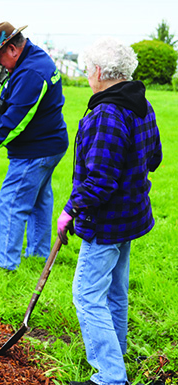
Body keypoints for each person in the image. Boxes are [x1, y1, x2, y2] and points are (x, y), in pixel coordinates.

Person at [57, 37, 162, 385]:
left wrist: (70, 211)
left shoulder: (107, 113)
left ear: (100, 71)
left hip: (107, 223)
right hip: (131, 216)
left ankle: (110, 376)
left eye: (88, 69)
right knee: (114, 292)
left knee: (87, 296)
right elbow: (155, 158)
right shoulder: (140, 104)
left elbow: (101, 181)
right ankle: (117, 354)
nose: (88, 75)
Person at [0, 22, 69, 271]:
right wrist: (3, 97)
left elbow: (19, 119)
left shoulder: (31, 72)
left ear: (13, 50)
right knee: (39, 199)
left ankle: (5, 263)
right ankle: (38, 254)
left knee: (13, 201)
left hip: (36, 150)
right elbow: (20, 94)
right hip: (51, 143)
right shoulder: (34, 57)